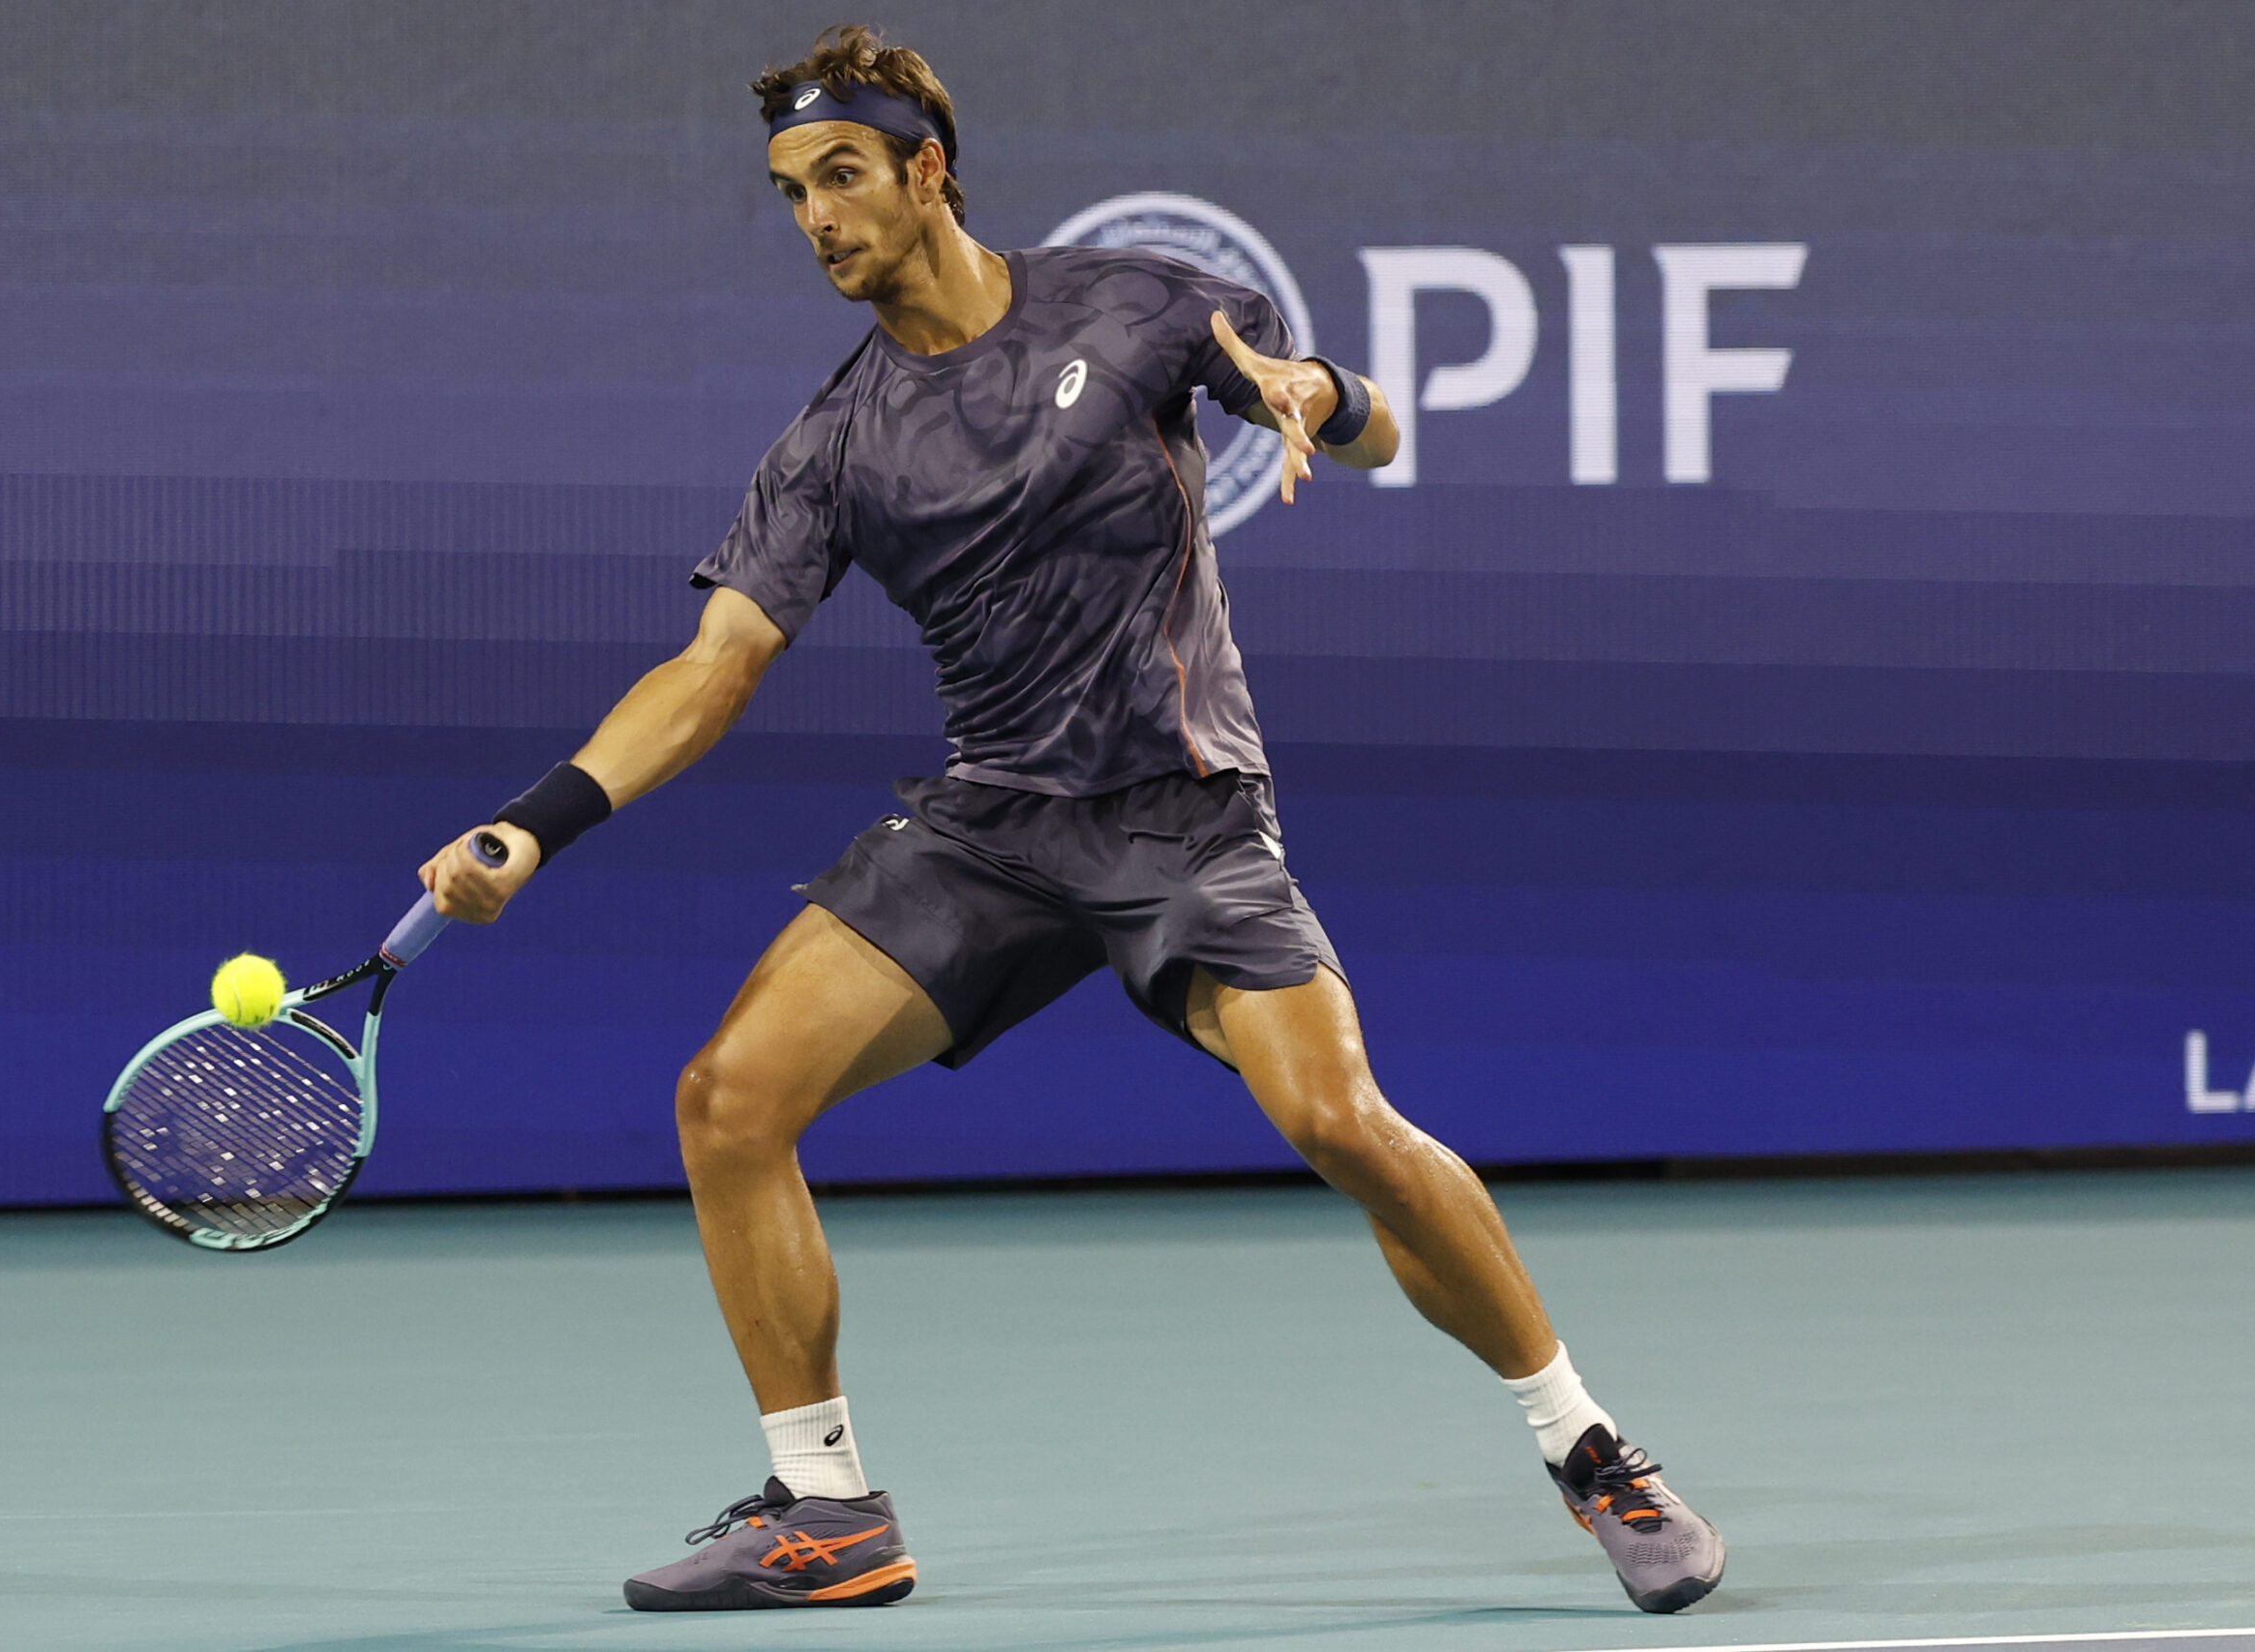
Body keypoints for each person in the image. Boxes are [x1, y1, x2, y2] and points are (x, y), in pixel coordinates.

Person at [419, 21, 1725, 1618]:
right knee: (729, 1097)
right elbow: (716, 667)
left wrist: (1320, 387)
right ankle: (826, 1510)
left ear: (927, 169)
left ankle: (1590, 1449)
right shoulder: (831, 448)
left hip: (1186, 818)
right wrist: (535, 826)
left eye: (842, 175)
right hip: (991, 829)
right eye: (789, 193)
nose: (818, 216)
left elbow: (1373, 429)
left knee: (1338, 1123)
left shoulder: (1139, 300)